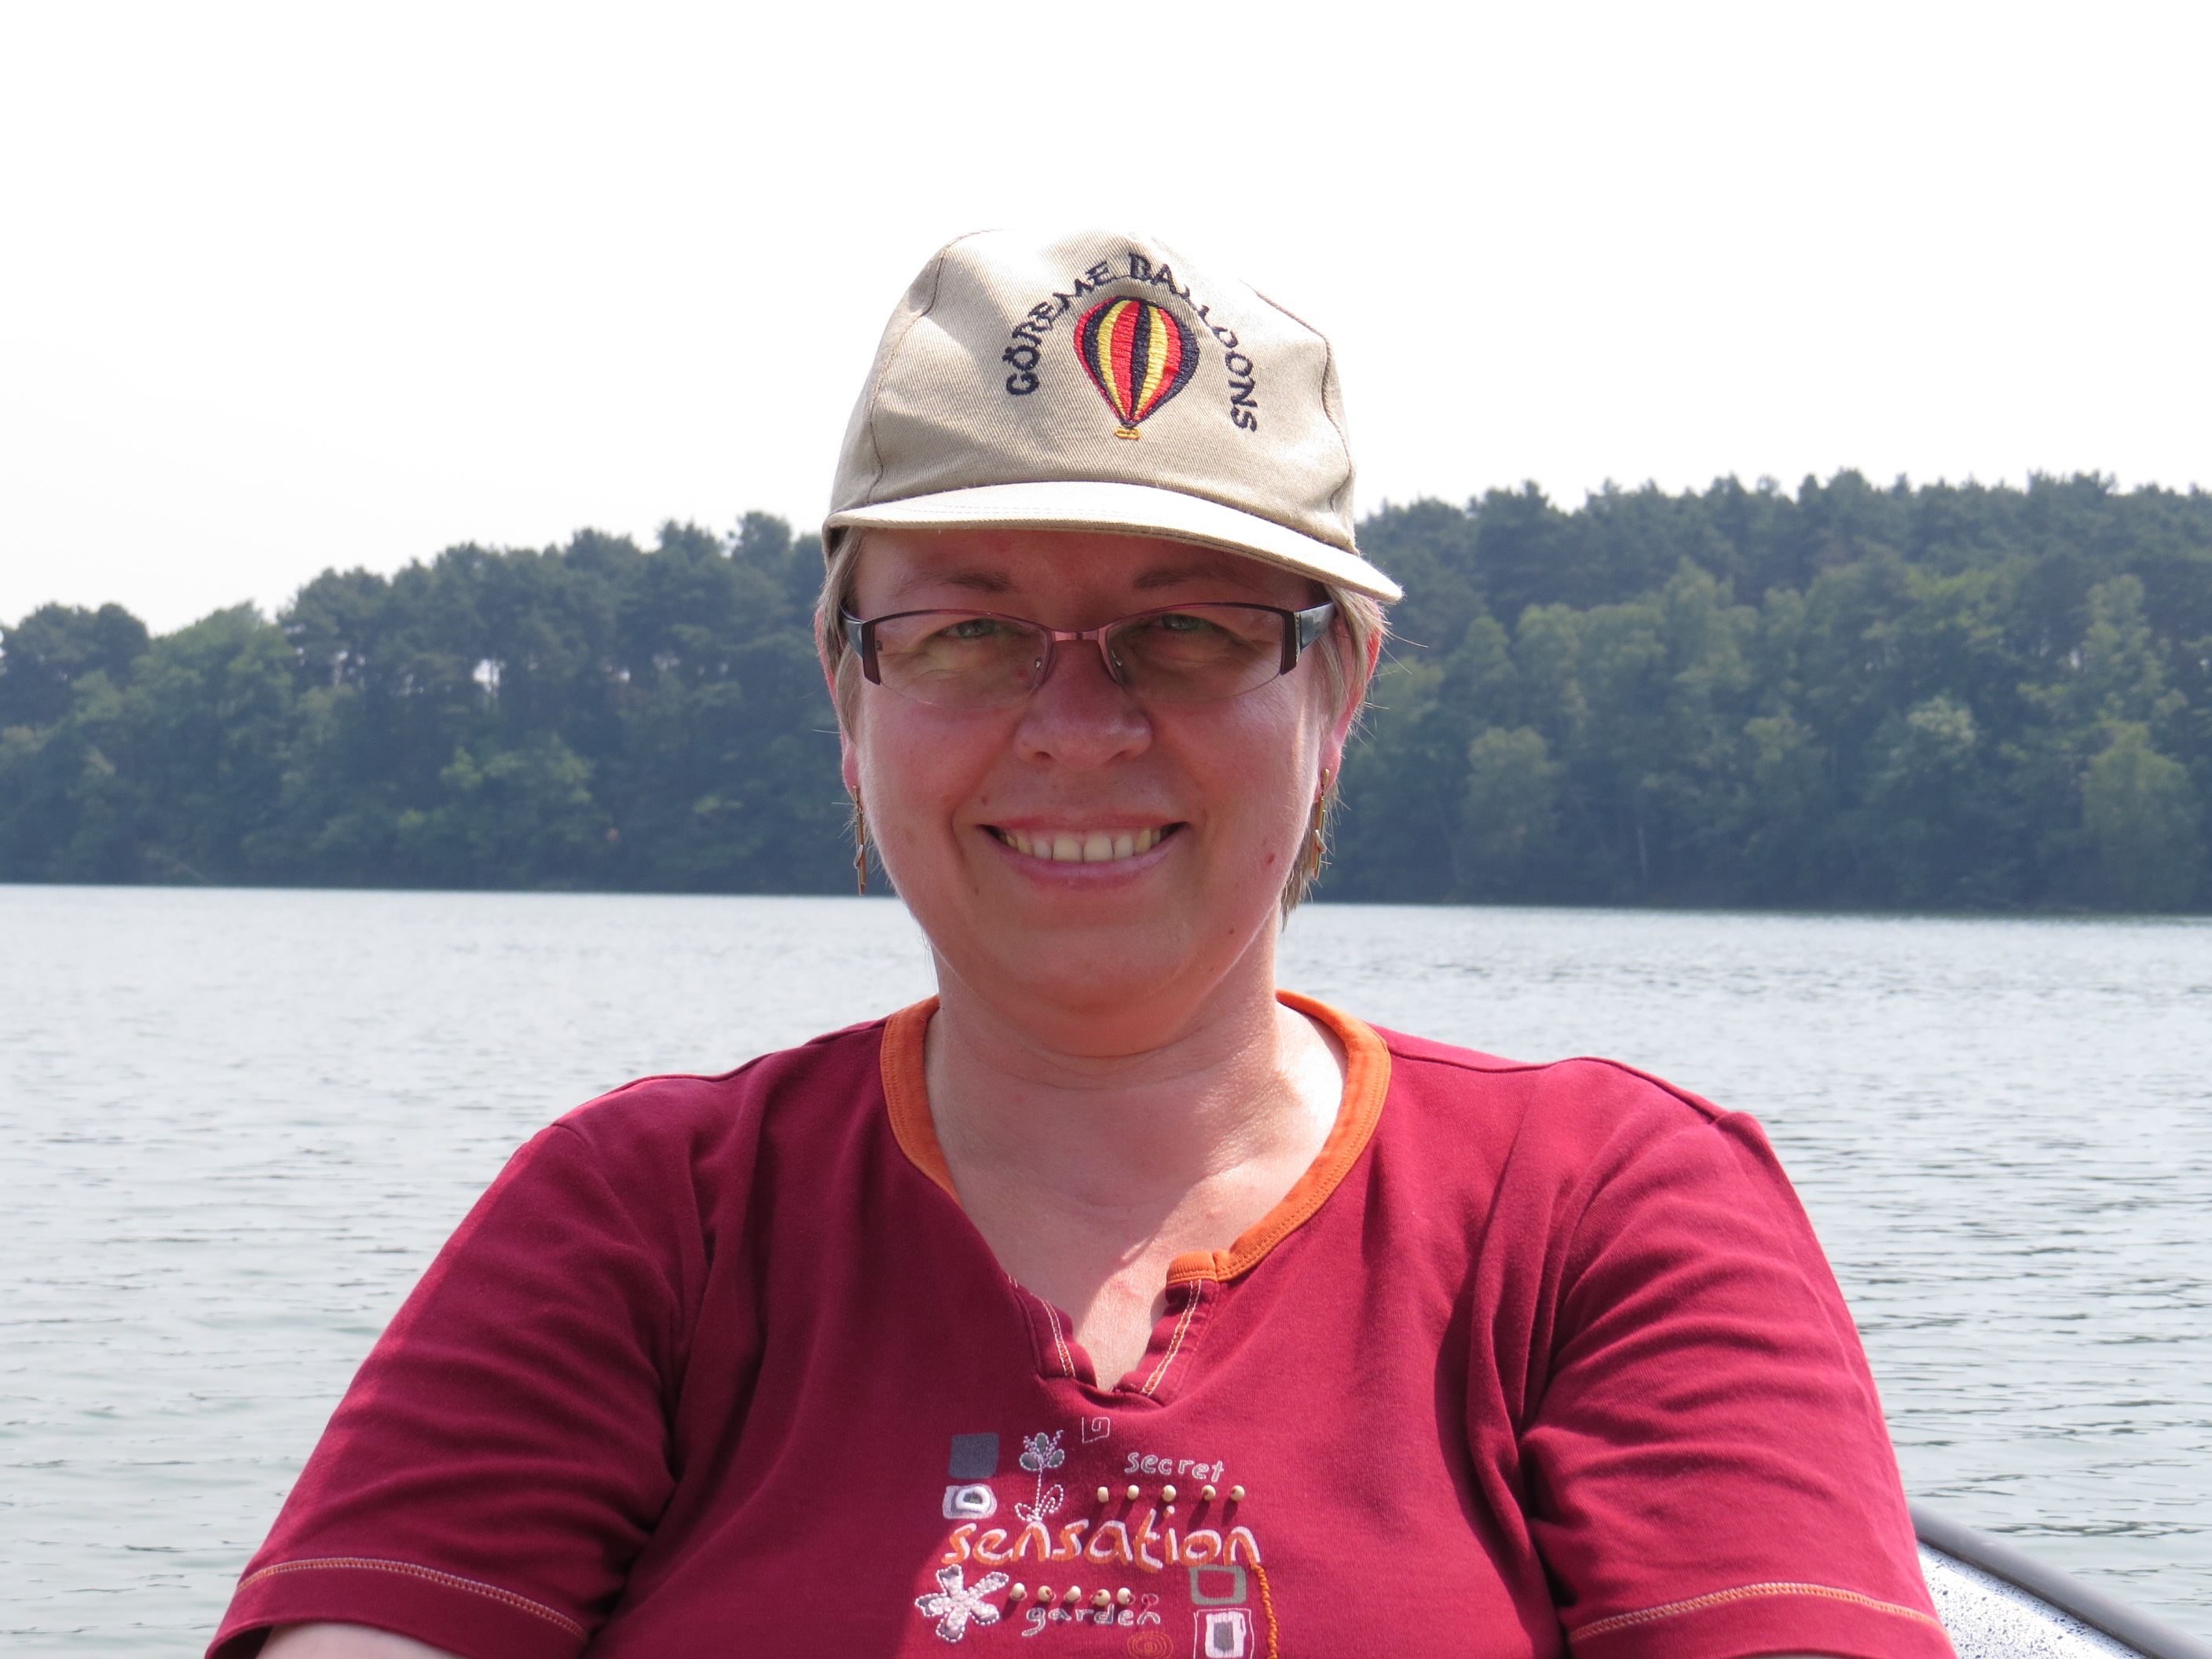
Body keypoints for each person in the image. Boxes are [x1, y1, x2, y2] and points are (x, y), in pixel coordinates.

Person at [214, 230, 1950, 1659]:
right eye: (967, 633)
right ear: (849, 695)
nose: (1075, 727)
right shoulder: (644, 1220)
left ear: (1337, 689)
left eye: (1187, 628)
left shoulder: (1602, 1213)